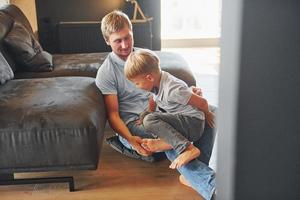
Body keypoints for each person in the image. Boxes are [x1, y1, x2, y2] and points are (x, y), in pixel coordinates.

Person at [95, 10, 216, 199]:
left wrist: (189, 91)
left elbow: (166, 86)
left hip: (161, 111)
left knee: (211, 111)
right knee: (165, 133)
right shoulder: (106, 73)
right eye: (118, 41)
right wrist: (131, 139)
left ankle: (193, 173)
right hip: (137, 123)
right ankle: (213, 186)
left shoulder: (145, 56)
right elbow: (113, 115)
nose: (125, 45)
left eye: (128, 37)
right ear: (107, 41)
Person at [124, 49, 215, 169]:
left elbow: (202, 102)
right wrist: (147, 113)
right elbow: (153, 98)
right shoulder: (157, 82)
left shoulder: (173, 90)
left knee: (150, 120)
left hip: (193, 123)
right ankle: (168, 143)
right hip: (184, 120)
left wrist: (208, 114)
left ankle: (188, 149)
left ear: (149, 78)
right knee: (148, 117)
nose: (136, 86)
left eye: (137, 83)